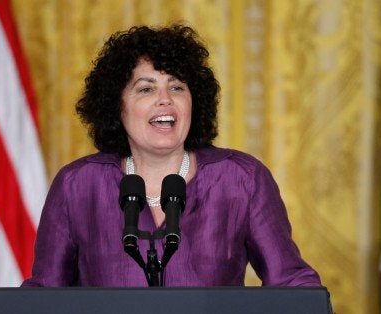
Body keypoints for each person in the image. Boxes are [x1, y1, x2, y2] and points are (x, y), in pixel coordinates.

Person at [21, 24, 321, 287]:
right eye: (146, 89)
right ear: (117, 106)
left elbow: (291, 283)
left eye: (177, 87)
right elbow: (47, 293)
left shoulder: (242, 178)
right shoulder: (77, 184)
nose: (165, 99)